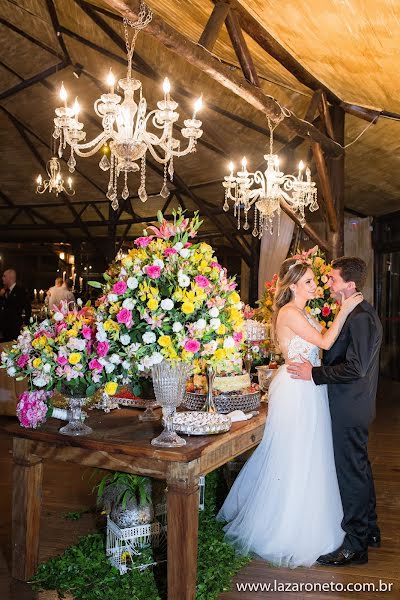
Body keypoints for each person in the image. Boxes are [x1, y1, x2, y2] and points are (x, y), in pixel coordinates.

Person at [217, 257, 362, 568]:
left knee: (312, 454)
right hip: (297, 389)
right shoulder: (289, 312)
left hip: (311, 385)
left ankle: (313, 520)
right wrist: (345, 310)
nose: (315, 285)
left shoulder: (303, 311)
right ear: (294, 285)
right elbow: (324, 340)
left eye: (314, 280)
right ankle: (286, 529)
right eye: (309, 281)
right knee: (295, 455)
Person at [287, 257, 382, 566]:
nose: (328, 284)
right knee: (359, 468)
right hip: (352, 404)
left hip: (350, 406)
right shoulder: (354, 313)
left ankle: (355, 545)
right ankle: (369, 530)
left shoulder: (360, 318)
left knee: (351, 473)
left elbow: (355, 367)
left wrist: (315, 374)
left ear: (349, 285)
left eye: (333, 279)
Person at [0, 268, 31, 342]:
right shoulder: (5, 291)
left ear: (10, 278)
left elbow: (27, 308)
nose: (2, 278)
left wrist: (26, 324)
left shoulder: (20, 291)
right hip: (5, 328)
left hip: (15, 328)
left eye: (4, 276)